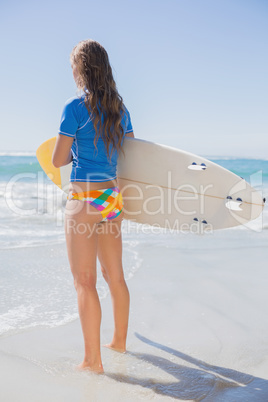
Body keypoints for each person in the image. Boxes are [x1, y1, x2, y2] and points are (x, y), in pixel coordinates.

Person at [52, 39, 134, 373]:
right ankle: (119, 342)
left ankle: (92, 361)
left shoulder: (74, 108)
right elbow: (131, 157)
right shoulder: (121, 109)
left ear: (81, 68)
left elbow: (58, 158)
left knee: (84, 282)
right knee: (114, 275)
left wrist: (75, 152)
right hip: (111, 199)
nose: (71, 71)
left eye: (73, 65)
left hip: (83, 200)